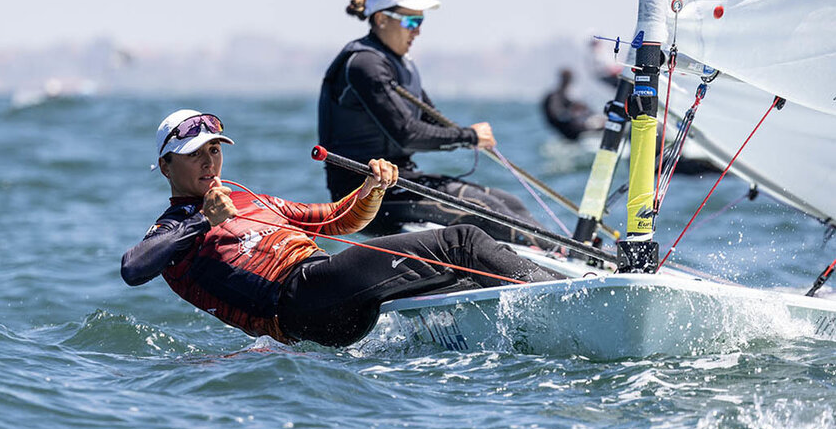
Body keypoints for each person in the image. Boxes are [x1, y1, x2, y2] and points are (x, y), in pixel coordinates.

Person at [121, 110, 564, 347]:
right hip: (296, 300)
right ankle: (568, 293)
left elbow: (336, 220)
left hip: (332, 295)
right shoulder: (173, 231)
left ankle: (536, 328)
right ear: (165, 165)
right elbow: (133, 268)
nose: (209, 161)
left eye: (215, 150)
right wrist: (203, 220)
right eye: (195, 153)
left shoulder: (247, 199)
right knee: (462, 242)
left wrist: (372, 188)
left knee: (461, 271)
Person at [318, 0, 551, 248]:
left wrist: (468, 136)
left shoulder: (400, 63)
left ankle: (577, 255)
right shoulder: (364, 65)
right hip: (365, 193)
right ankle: (566, 259)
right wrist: (469, 137)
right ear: (381, 19)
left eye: (421, 21)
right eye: (411, 21)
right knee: (482, 207)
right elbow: (406, 134)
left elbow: (430, 118)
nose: (417, 31)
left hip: (401, 180)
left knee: (508, 201)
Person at [541, 68, 605, 141]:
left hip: (570, 128)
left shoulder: (563, 96)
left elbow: (577, 107)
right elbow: (559, 115)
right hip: (567, 130)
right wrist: (572, 112)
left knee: (599, 121)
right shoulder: (554, 97)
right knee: (601, 126)